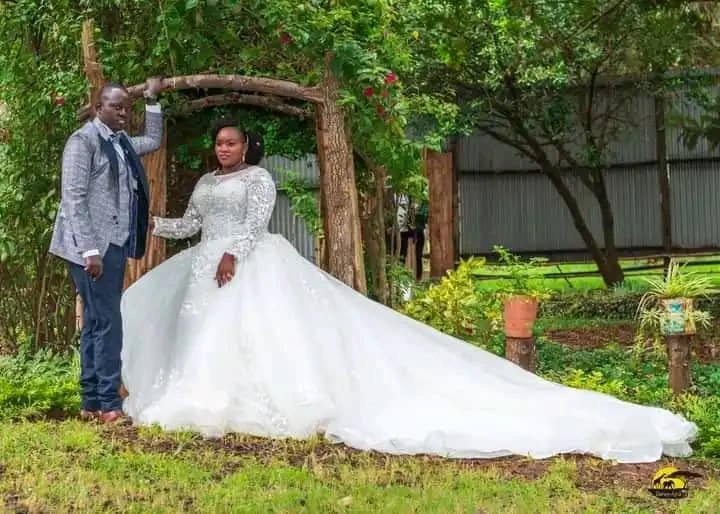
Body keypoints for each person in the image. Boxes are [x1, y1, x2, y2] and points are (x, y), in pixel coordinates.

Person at [121, 117, 697, 463]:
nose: (223, 149)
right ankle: (207, 398)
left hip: (246, 264)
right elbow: (190, 224)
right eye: (218, 143)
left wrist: (231, 256)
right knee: (207, 335)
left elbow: (252, 225)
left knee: (256, 333)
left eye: (231, 143)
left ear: (246, 148)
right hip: (204, 264)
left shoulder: (259, 178)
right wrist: (151, 224)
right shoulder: (204, 182)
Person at [50, 79, 164, 423]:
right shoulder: (82, 142)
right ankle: (109, 404)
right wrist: (89, 250)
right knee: (108, 321)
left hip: (113, 243)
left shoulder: (122, 142)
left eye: (127, 108)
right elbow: (73, 198)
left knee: (98, 321)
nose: (124, 113)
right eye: (116, 107)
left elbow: (155, 140)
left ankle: (91, 402)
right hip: (89, 248)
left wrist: (153, 99)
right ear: (98, 108)